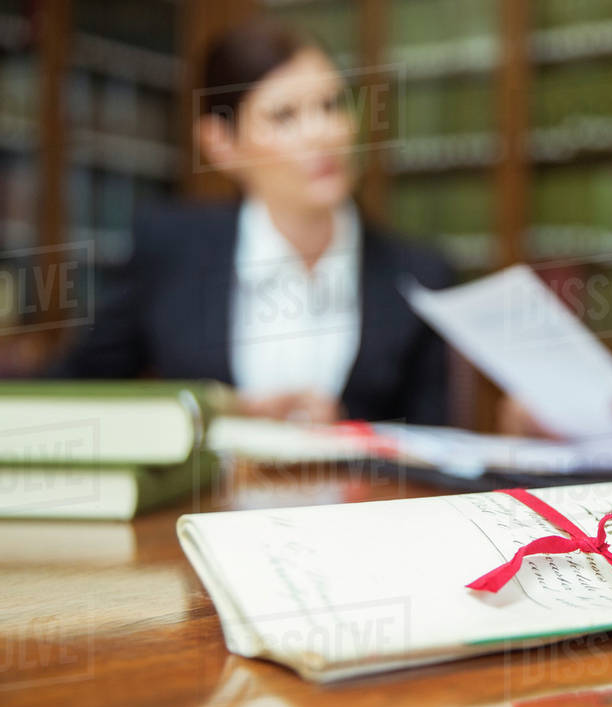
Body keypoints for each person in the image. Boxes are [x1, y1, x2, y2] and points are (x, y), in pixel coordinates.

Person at [48, 18, 452, 423]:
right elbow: (76, 392)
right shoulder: (169, 249)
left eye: (331, 105)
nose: (323, 134)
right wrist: (213, 414)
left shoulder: (419, 275)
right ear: (220, 143)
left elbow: (439, 447)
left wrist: (346, 434)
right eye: (284, 116)